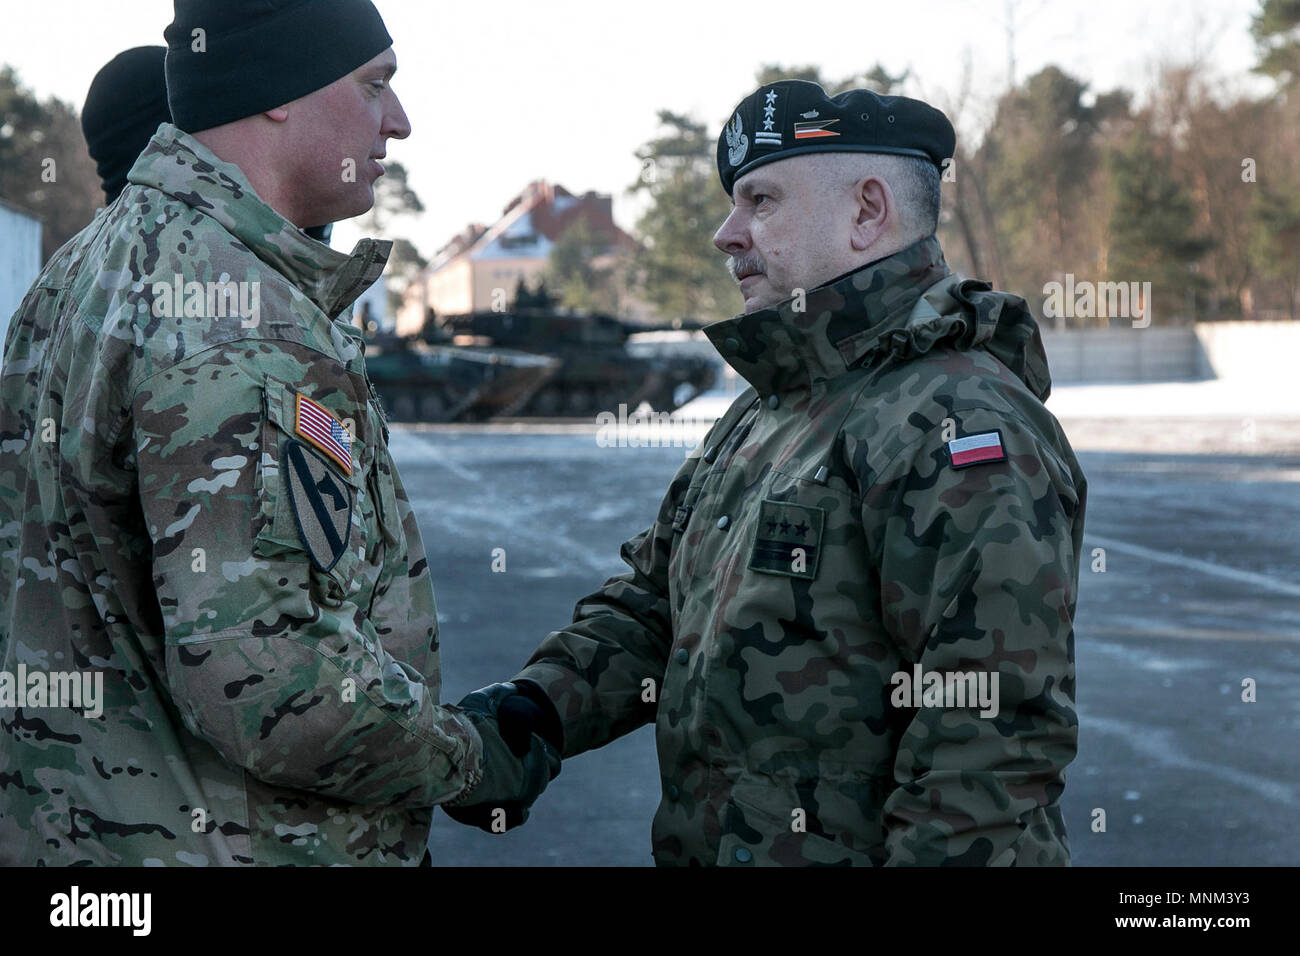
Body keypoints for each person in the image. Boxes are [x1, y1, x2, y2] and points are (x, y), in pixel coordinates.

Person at [0, 0, 556, 866]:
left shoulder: (81, 271)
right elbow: (277, 684)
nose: (399, 122)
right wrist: (469, 758)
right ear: (277, 93)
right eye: (376, 85)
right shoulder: (249, 321)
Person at [485, 79, 1087, 866]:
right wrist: (532, 715)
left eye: (760, 201)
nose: (725, 234)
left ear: (868, 211)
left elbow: (988, 744)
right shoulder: (776, 404)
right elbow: (655, 604)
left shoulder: (957, 421)